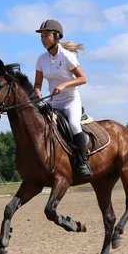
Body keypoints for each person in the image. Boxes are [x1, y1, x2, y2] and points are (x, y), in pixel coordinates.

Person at [34, 19, 92, 178]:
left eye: (46, 36)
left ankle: (83, 162)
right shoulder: (41, 59)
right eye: (41, 37)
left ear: (56, 36)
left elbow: (83, 79)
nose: (43, 39)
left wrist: (65, 85)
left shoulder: (67, 56)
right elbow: (37, 84)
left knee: (74, 124)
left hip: (70, 101)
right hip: (52, 102)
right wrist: (37, 92)